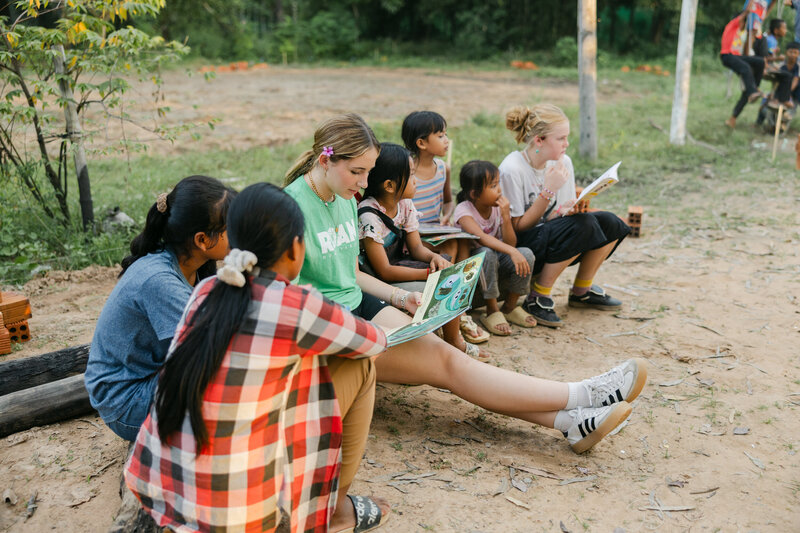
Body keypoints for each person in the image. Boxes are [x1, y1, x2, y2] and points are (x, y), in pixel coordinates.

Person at [284, 113, 649, 454]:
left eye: (368, 173)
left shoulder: (343, 195)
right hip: (332, 330)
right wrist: (355, 329)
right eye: (357, 172)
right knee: (448, 365)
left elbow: (352, 274)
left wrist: (401, 299)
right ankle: (582, 394)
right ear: (325, 161)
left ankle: (570, 420)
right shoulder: (291, 210)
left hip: (360, 306)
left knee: (448, 363)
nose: (365, 184)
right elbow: (290, 302)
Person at [124, 183, 391, 533]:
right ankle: (334, 507)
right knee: (358, 364)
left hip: (163, 484)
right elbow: (374, 341)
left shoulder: (207, 290)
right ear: (297, 248)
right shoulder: (297, 306)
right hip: (236, 510)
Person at [85, 175, 236, 441]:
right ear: (202, 240)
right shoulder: (160, 282)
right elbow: (213, 346)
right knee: (229, 376)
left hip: (149, 377)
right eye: (231, 228)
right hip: (127, 403)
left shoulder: (195, 265)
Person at [499, 104, 631, 328]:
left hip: (549, 234)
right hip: (524, 247)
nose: (566, 144)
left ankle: (582, 291)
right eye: (561, 138)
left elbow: (560, 217)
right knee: (586, 224)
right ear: (539, 139)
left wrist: (570, 209)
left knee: (611, 223)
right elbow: (517, 228)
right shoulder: (512, 169)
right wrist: (548, 191)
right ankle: (538, 297)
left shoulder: (563, 162)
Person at [357, 142, 486, 358]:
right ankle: (452, 341)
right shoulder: (369, 215)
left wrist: (433, 258)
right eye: (412, 175)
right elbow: (384, 271)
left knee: (449, 272)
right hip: (384, 279)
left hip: (402, 264)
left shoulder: (404, 204)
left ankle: (452, 336)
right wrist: (429, 274)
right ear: (389, 185)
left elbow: (416, 247)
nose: (416, 181)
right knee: (443, 285)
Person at [401, 110, 489, 344]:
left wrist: (447, 216)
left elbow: (449, 201)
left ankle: (457, 307)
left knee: (459, 240)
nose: (447, 140)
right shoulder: (407, 172)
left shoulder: (443, 169)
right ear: (421, 143)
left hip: (437, 231)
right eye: (440, 135)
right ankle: (455, 310)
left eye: (446, 134)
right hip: (413, 235)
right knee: (453, 243)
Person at [452, 160, 538, 336]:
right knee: (486, 253)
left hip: (498, 257)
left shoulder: (497, 209)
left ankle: (509, 307)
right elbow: (482, 239)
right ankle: (492, 309)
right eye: (493, 185)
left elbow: (511, 244)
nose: (499, 189)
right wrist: (511, 251)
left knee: (526, 253)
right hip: (474, 265)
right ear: (475, 194)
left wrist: (506, 217)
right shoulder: (464, 211)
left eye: (498, 183)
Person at [722, 2, 767, 129]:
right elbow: (746, 12)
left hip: (738, 57)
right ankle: (752, 91)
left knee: (760, 61)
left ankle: (754, 88)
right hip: (727, 55)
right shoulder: (733, 25)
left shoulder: (753, 37)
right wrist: (752, 3)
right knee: (746, 69)